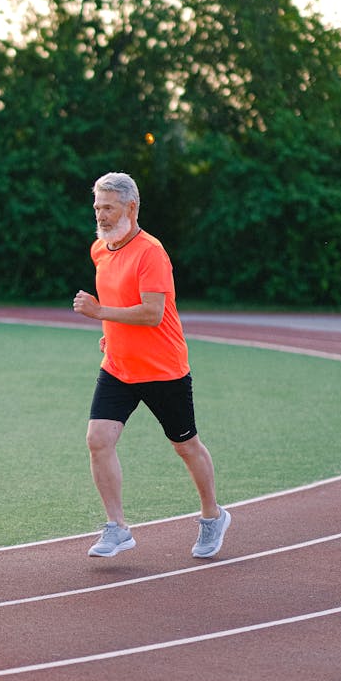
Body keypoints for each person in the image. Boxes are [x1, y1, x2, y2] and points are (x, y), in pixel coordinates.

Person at [73, 171, 230, 559]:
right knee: (98, 440)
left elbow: (152, 313)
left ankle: (213, 516)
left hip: (164, 370)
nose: (101, 215)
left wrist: (97, 312)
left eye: (108, 207)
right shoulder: (100, 249)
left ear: (132, 206)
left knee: (186, 446)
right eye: (97, 207)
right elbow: (121, 300)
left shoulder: (151, 252)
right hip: (119, 368)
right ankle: (117, 528)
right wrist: (111, 333)